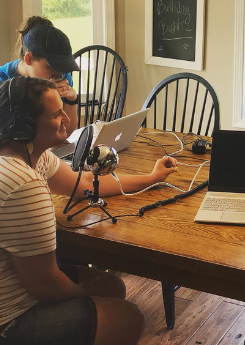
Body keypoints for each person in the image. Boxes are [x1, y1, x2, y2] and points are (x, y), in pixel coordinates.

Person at [0, 76, 179, 345]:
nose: (67, 119)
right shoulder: (23, 183)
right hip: (9, 318)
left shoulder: (31, 154)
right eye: (56, 114)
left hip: (19, 286)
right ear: (24, 126)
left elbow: (85, 183)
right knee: (128, 318)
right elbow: (44, 285)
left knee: (111, 286)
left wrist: (151, 177)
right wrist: (78, 291)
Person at [0, 16, 80, 136]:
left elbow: (66, 133)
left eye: (62, 66)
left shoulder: (64, 77)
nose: (59, 73)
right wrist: (45, 97)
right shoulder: (3, 80)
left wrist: (71, 100)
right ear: (29, 59)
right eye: (51, 66)